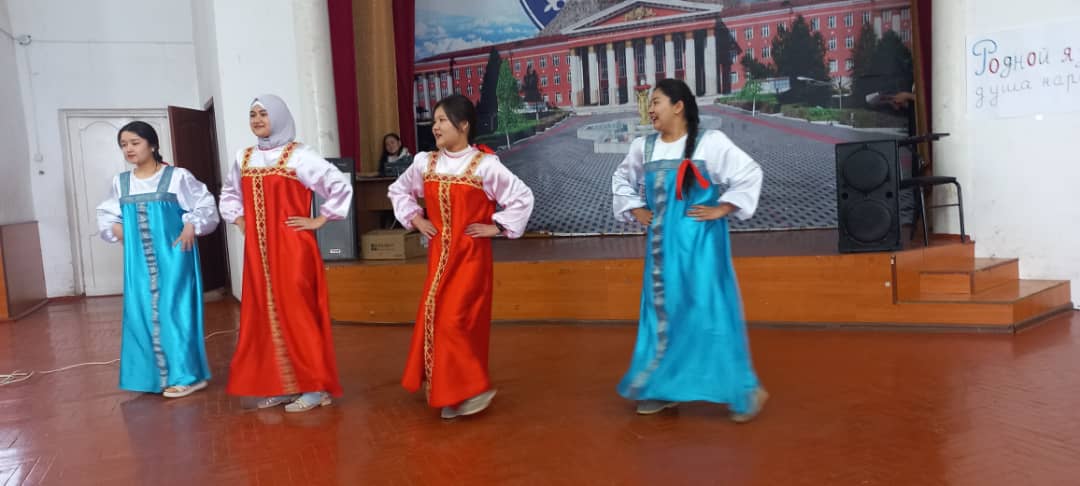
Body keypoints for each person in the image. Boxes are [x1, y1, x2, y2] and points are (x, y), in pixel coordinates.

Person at [611, 78, 768, 422]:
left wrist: (723, 207)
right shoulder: (643, 148)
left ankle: (743, 389)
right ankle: (660, 387)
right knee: (661, 313)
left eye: (656, 102)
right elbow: (621, 179)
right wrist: (636, 208)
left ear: (678, 106)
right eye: (649, 103)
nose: (650, 109)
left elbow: (749, 173)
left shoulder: (711, 142)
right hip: (661, 249)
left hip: (702, 246)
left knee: (709, 311)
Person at [387, 94, 534, 420]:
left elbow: (522, 197)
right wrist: (415, 218)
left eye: (442, 120)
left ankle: (472, 389)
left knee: (454, 322)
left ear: (463, 125)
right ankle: (452, 393)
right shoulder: (425, 163)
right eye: (435, 120)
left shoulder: (485, 166)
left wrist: (497, 226)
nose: (435, 126)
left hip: (470, 261)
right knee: (437, 320)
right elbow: (398, 190)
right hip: (438, 260)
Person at [218, 94, 353, 412]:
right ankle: (283, 384)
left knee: (298, 313)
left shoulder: (300, 156)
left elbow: (339, 185)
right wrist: (239, 219)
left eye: (264, 114)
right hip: (258, 252)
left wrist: (319, 219)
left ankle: (315, 387)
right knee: (265, 314)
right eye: (253, 114)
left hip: (293, 248)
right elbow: (229, 193)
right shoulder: (244, 157)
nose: (257, 120)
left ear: (278, 116)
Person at [96, 121, 217, 398]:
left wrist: (191, 225)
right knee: (140, 314)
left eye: (135, 143)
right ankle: (153, 376)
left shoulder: (177, 177)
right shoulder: (120, 182)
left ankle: (188, 376)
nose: (129, 149)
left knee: (175, 313)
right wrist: (116, 228)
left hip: (175, 257)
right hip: (138, 263)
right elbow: (107, 214)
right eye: (123, 145)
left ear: (152, 144)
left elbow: (205, 204)